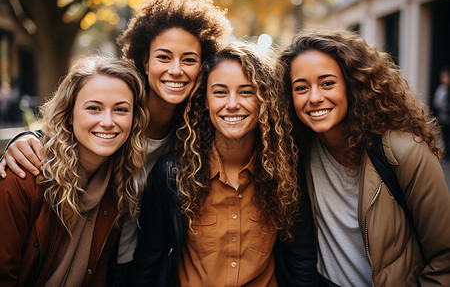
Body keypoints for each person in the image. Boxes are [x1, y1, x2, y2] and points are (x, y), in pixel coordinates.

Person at [0, 0, 232, 284]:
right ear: (145, 62)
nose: (176, 70)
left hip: (145, 265)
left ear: (202, 66)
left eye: (189, 60)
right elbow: (68, 130)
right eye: (164, 57)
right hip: (101, 259)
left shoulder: (200, 129)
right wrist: (26, 137)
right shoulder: (118, 111)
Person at [134, 42, 318, 286]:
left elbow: (301, 262)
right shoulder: (172, 175)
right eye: (220, 92)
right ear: (206, 100)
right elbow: (148, 263)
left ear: (264, 100)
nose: (232, 104)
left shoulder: (285, 173)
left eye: (246, 92)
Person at [279, 29, 450, 286]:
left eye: (327, 83)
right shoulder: (295, 152)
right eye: (301, 88)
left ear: (353, 84)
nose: (314, 98)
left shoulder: (404, 152)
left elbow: (444, 257)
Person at [0, 55, 149, 286]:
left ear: (134, 119)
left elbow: (97, 275)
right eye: (94, 108)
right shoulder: (24, 174)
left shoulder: (117, 186)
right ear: (70, 114)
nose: (108, 121)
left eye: (120, 109)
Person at [433, 65, 450, 160]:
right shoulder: (441, 90)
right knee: (444, 137)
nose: (444, 79)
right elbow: (436, 103)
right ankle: (445, 155)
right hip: (443, 117)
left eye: (446, 76)